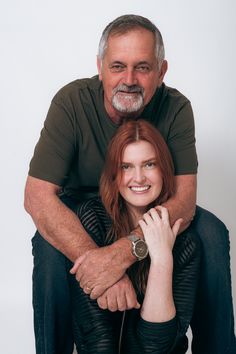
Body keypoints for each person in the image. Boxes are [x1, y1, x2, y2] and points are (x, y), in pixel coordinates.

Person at [24, 14, 235, 354]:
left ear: (162, 71)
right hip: (83, 206)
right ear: (100, 67)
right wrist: (100, 264)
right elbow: (37, 198)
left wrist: (124, 253)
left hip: (149, 209)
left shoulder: (176, 107)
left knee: (211, 232)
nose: (129, 79)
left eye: (143, 68)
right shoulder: (72, 102)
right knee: (47, 242)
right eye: (118, 66)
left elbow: (183, 200)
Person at [68, 119, 201, 354]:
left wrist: (161, 259)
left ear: (164, 170)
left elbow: (156, 347)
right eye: (126, 167)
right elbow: (95, 340)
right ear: (113, 173)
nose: (138, 178)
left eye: (149, 164)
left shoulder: (186, 242)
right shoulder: (91, 220)